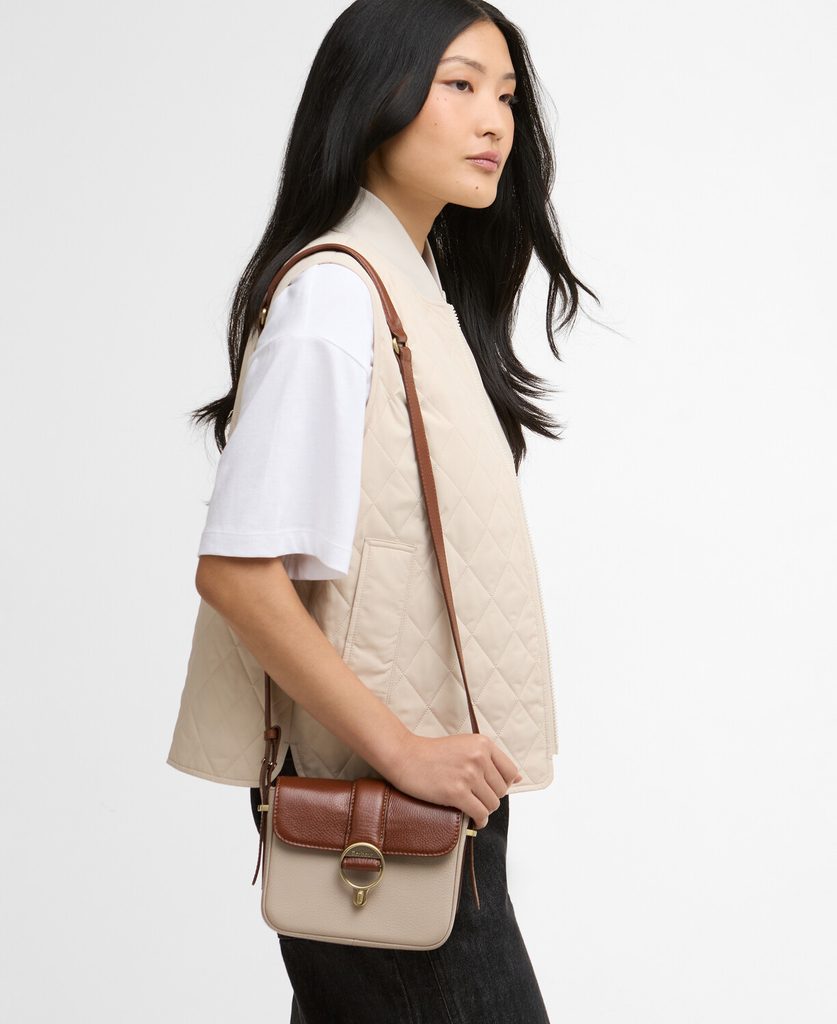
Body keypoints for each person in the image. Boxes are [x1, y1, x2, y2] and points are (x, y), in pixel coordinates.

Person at [167, 2, 597, 1020]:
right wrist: (404, 751)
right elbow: (238, 575)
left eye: (506, 96)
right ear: (373, 99)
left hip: (423, 794)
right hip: (380, 796)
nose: (494, 121)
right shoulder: (335, 296)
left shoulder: (413, 288)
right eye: (459, 85)